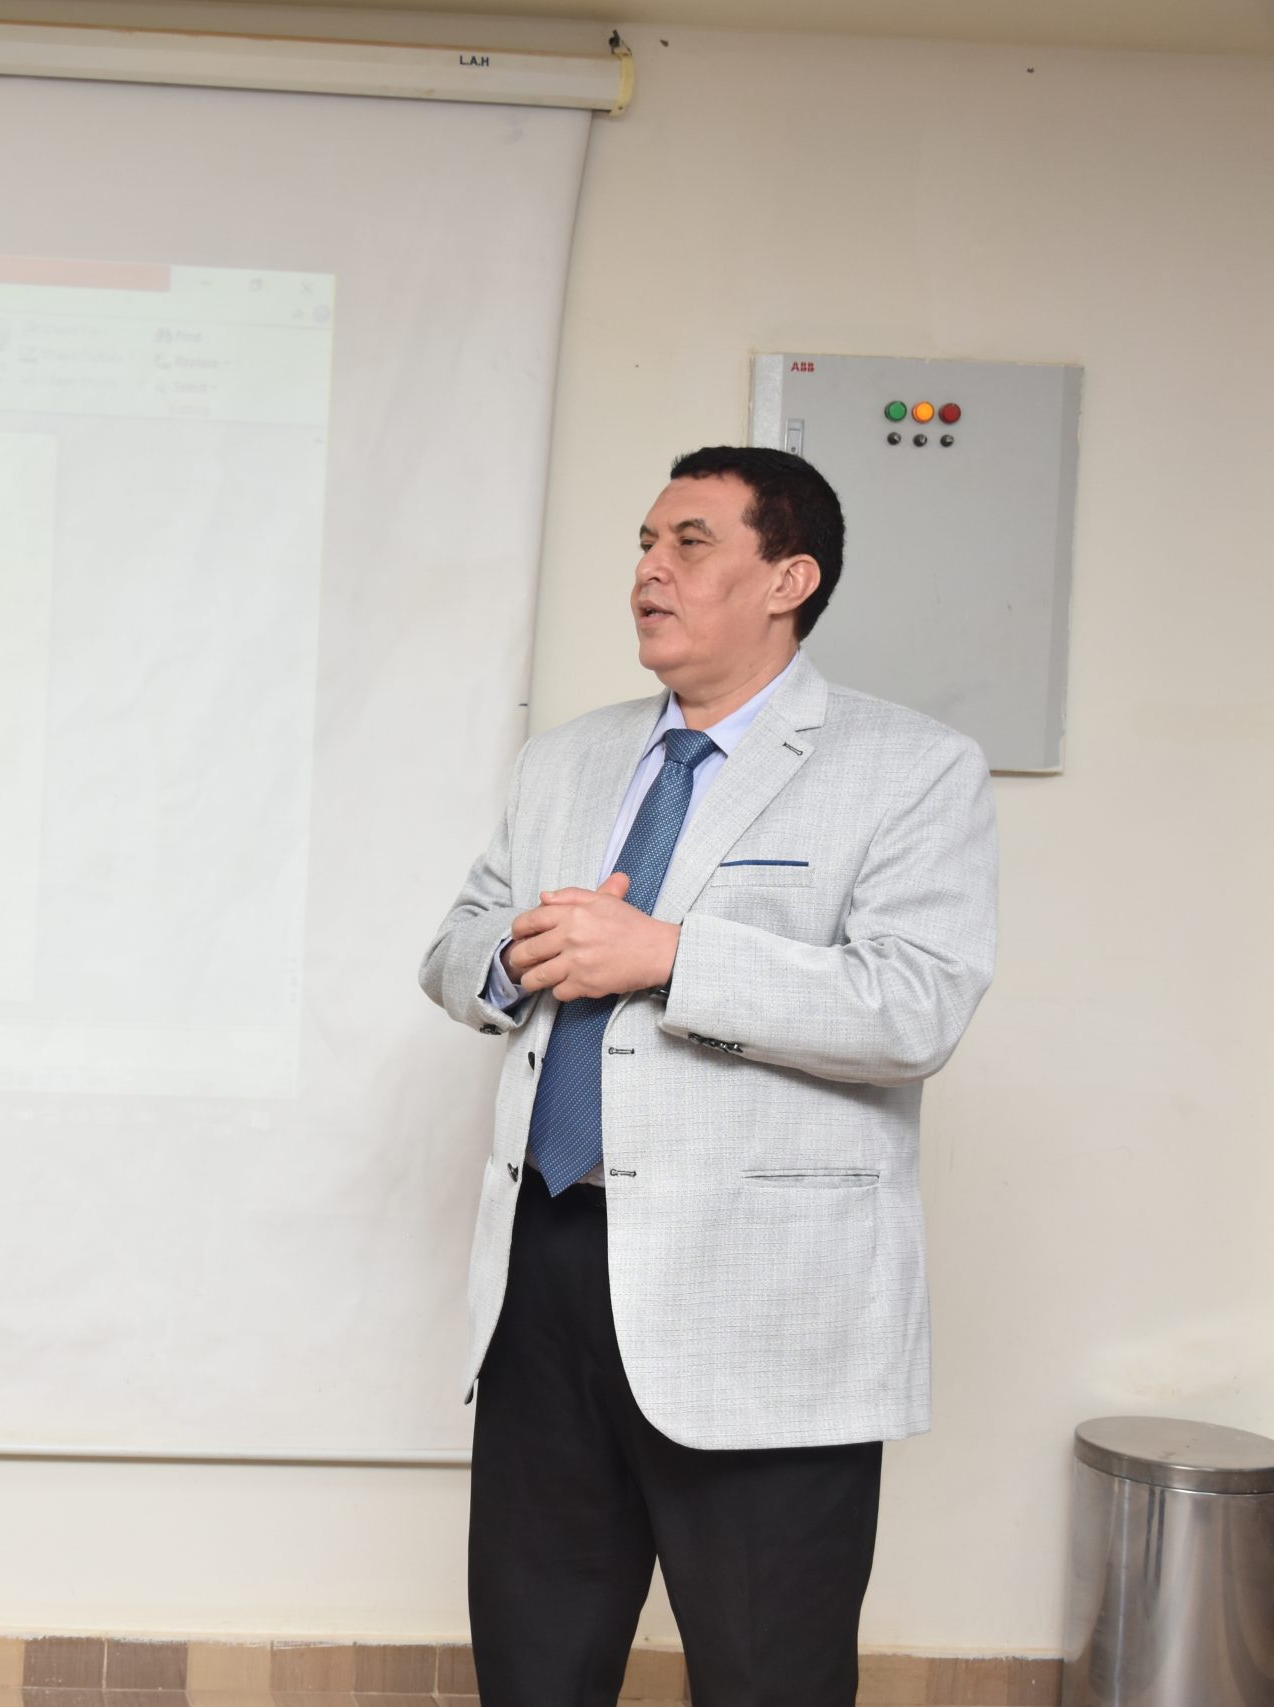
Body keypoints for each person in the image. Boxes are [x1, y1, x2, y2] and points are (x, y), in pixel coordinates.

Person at [420, 446, 998, 1705]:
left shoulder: (910, 767)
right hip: (546, 1269)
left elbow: (915, 1007)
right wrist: (518, 955)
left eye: (689, 543)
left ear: (790, 579)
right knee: (533, 1666)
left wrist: (669, 956)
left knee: (765, 1675)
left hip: (759, 1297)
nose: (649, 570)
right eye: (643, 542)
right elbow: (456, 945)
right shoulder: (563, 762)